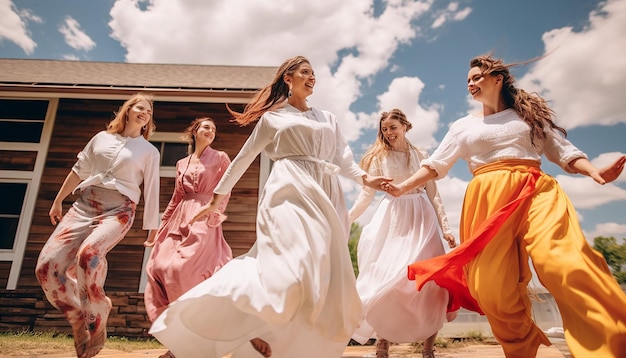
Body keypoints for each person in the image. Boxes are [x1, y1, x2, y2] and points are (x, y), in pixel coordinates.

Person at [384, 54, 626, 357]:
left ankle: (611, 344)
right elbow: (436, 164)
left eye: (477, 77)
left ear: (497, 79)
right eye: (468, 80)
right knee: (491, 289)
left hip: (534, 190)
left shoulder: (527, 117)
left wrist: (594, 171)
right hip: (486, 201)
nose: (471, 83)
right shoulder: (462, 127)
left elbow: (562, 151)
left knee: (562, 262)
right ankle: (522, 347)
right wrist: (403, 186)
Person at [148, 55, 390, 358]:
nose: (312, 77)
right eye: (305, 72)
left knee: (318, 274)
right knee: (291, 263)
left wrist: (368, 179)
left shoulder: (328, 118)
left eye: (314, 73)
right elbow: (243, 159)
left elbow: (343, 159)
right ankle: (230, 331)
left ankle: (280, 340)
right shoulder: (273, 118)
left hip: (326, 194)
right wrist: (215, 199)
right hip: (288, 190)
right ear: (288, 79)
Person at [35, 93, 160, 358]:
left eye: (149, 112)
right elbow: (79, 169)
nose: (144, 113)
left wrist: (153, 227)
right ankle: (78, 317)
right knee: (46, 268)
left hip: (120, 210)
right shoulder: (100, 138)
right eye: (140, 107)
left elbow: (152, 188)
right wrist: (58, 200)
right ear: (127, 110)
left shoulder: (149, 151)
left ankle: (97, 311)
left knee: (89, 255)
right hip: (84, 205)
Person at [348, 109, 457, 358]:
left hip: (422, 218)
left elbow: (434, 194)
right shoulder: (378, 157)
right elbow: (367, 194)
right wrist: (347, 218)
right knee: (389, 279)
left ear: (405, 126)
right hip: (393, 219)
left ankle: (428, 349)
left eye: (393, 128)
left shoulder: (422, 155)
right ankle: (383, 342)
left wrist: (446, 228)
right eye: (384, 129)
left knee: (432, 282)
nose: (388, 133)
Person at [144, 117, 232, 358]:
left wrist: (215, 213)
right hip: (179, 218)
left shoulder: (221, 157)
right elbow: (176, 196)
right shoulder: (182, 162)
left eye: (214, 128)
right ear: (195, 131)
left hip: (205, 216)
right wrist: (160, 227)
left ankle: (198, 338)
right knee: (162, 267)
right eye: (206, 127)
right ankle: (180, 343)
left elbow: (226, 188)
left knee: (187, 271)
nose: (211, 131)